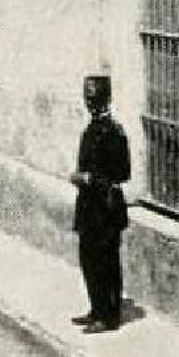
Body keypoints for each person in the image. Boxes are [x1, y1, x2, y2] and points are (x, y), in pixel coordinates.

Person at [70, 74, 132, 333]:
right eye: (87, 98)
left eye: (93, 98)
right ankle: (96, 308)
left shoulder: (114, 132)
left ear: (105, 100)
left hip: (106, 208)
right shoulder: (92, 128)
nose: (89, 103)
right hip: (88, 207)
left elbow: (122, 172)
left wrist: (88, 178)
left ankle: (109, 316)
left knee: (106, 261)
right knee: (88, 258)